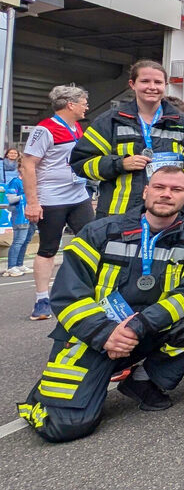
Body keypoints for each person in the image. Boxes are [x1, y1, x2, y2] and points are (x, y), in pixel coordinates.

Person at [17, 166, 184, 443]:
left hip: (145, 331)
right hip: (92, 336)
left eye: (176, 190)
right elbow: (67, 294)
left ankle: (143, 382)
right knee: (64, 427)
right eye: (159, 187)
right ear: (146, 191)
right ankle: (51, 393)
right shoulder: (100, 231)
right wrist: (105, 334)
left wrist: (135, 328)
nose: (166, 195)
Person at [71, 61, 184, 219]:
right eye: (145, 81)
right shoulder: (110, 121)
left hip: (167, 215)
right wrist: (120, 164)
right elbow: (81, 163)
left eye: (158, 82)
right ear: (132, 84)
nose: (152, 87)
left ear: (165, 85)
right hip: (118, 215)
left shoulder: (183, 124)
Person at [21, 85, 94, 321]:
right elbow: (28, 165)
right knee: (48, 248)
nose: (87, 107)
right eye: (83, 102)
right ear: (70, 104)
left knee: (90, 244)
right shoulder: (45, 129)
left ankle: (84, 292)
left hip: (78, 195)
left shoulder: (78, 127)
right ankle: (42, 299)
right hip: (51, 198)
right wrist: (33, 203)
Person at [3, 147, 32, 277]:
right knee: (18, 241)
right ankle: (11, 266)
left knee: (26, 240)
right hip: (20, 215)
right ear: (20, 168)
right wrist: (26, 197)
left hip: (31, 215)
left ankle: (20, 264)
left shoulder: (31, 181)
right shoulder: (15, 181)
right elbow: (11, 199)